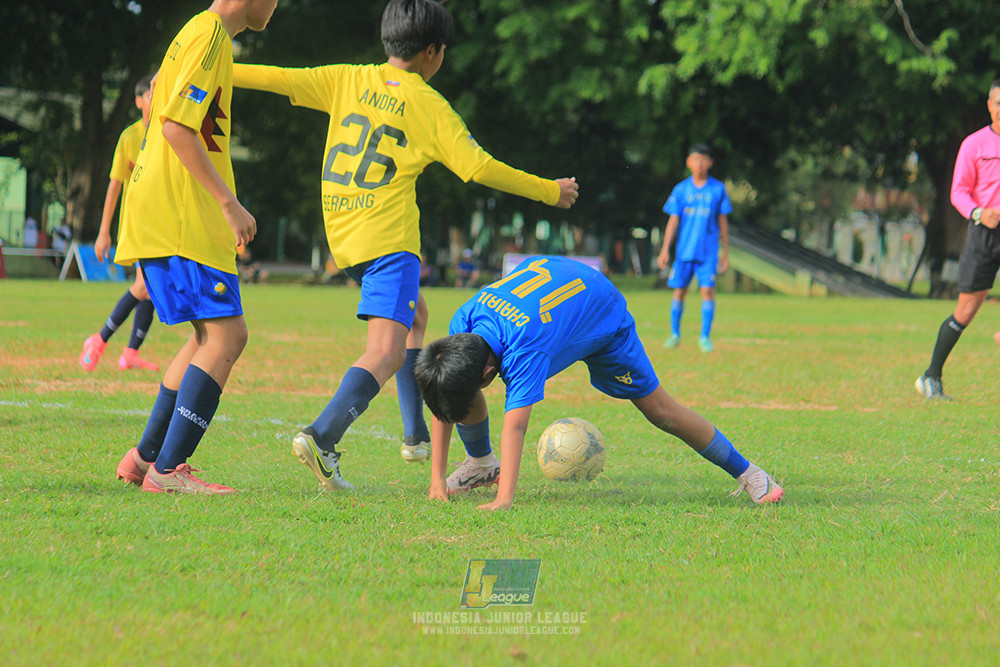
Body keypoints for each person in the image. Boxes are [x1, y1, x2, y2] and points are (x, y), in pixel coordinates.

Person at [233, 0, 578, 491]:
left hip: (346, 238)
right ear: (434, 52)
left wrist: (210, 69)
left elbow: (277, 78)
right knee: (387, 352)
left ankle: (415, 435)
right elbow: (478, 167)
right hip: (390, 243)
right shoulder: (429, 105)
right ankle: (322, 436)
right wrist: (550, 189)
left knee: (415, 317)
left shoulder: (347, 79)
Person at [414, 255, 783, 511]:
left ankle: (750, 473)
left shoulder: (524, 347)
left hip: (600, 310)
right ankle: (480, 464)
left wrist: (505, 498)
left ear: (487, 371)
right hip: (556, 282)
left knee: (659, 410)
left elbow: (517, 424)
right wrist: (436, 480)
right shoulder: (464, 324)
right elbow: (445, 398)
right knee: (455, 390)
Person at [111, 0, 279, 494]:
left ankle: (144, 459)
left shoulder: (198, 33)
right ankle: (169, 470)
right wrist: (228, 203)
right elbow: (177, 127)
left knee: (208, 337)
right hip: (180, 215)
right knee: (228, 337)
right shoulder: (209, 37)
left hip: (166, 212)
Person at [916, 79, 1000, 400]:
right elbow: (958, 193)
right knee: (965, 311)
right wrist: (979, 213)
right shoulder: (974, 144)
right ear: (989, 105)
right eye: (997, 102)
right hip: (984, 234)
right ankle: (930, 377)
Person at [80, 74, 160, 372]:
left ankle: (130, 353)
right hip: (138, 226)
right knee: (145, 285)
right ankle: (99, 341)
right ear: (139, 101)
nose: (156, 98)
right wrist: (103, 232)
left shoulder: (168, 133)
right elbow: (114, 186)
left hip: (161, 227)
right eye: (151, 95)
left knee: (153, 287)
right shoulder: (130, 137)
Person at [655, 143, 731, 353]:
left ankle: (705, 337)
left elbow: (723, 222)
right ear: (688, 162)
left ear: (710, 163)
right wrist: (665, 249)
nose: (699, 164)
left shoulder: (717, 189)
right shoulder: (681, 189)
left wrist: (725, 252)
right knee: (679, 291)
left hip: (707, 252)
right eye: (695, 159)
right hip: (684, 252)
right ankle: (675, 334)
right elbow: (673, 221)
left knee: (708, 290)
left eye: (703, 159)